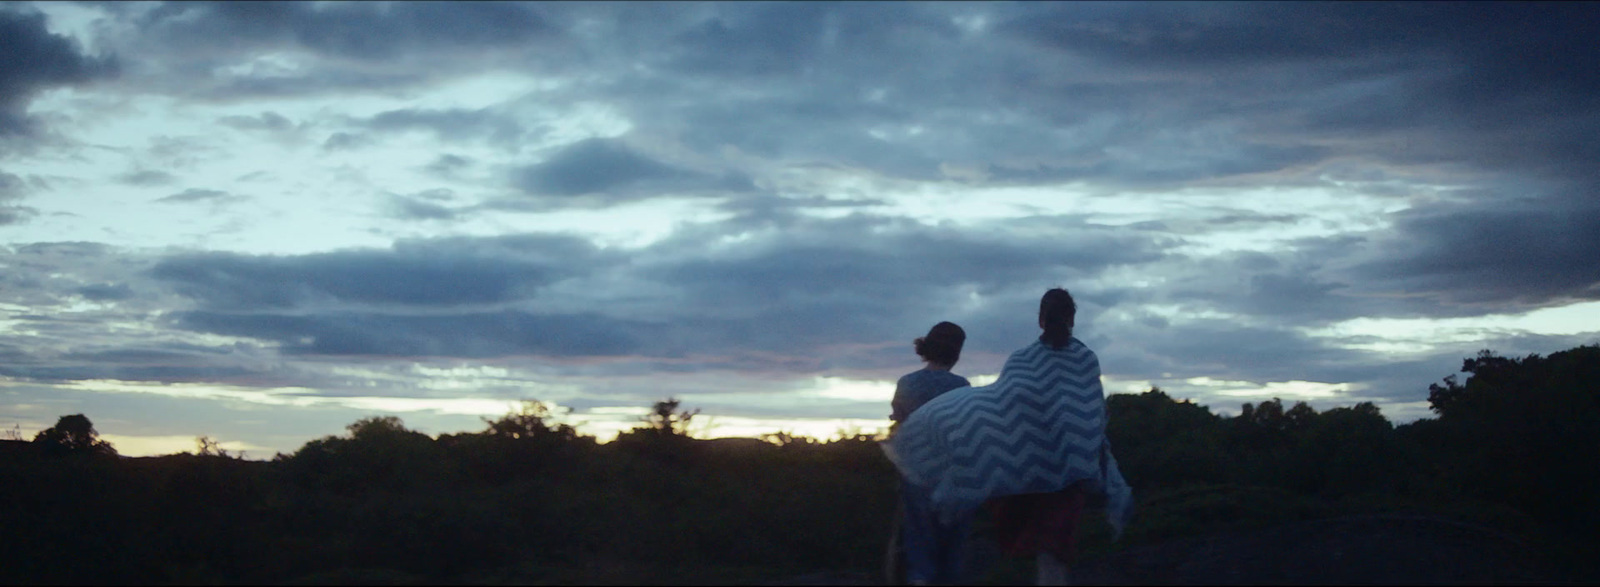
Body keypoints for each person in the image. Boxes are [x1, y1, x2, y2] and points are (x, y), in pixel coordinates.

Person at [882, 288, 1133, 587]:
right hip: (1066, 466)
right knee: (1046, 554)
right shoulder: (1085, 358)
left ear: (1041, 320)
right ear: (1072, 318)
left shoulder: (1021, 359)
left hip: (1002, 469)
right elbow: (1093, 411)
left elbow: (1001, 406)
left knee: (920, 545)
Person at [887, 321, 971, 585]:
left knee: (919, 551)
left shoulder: (907, 383)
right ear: (956, 352)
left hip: (915, 475)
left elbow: (899, 426)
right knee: (952, 553)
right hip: (954, 477)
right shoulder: (962, 387)